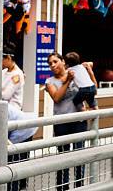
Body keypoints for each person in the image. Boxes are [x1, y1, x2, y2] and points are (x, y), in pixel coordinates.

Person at [45, 53, 86, 191]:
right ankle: (62, 187)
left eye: (55, 61)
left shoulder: (76, 74)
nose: (53, 65)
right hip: (61, 122)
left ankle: (80, 186)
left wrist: (89, 73)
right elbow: (56, 97)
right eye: (50, 63)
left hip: (78, 120)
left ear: (63, 62)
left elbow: (91, 88)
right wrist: (67, 81)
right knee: (63, 157)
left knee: (79, 155)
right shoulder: (49, 81)